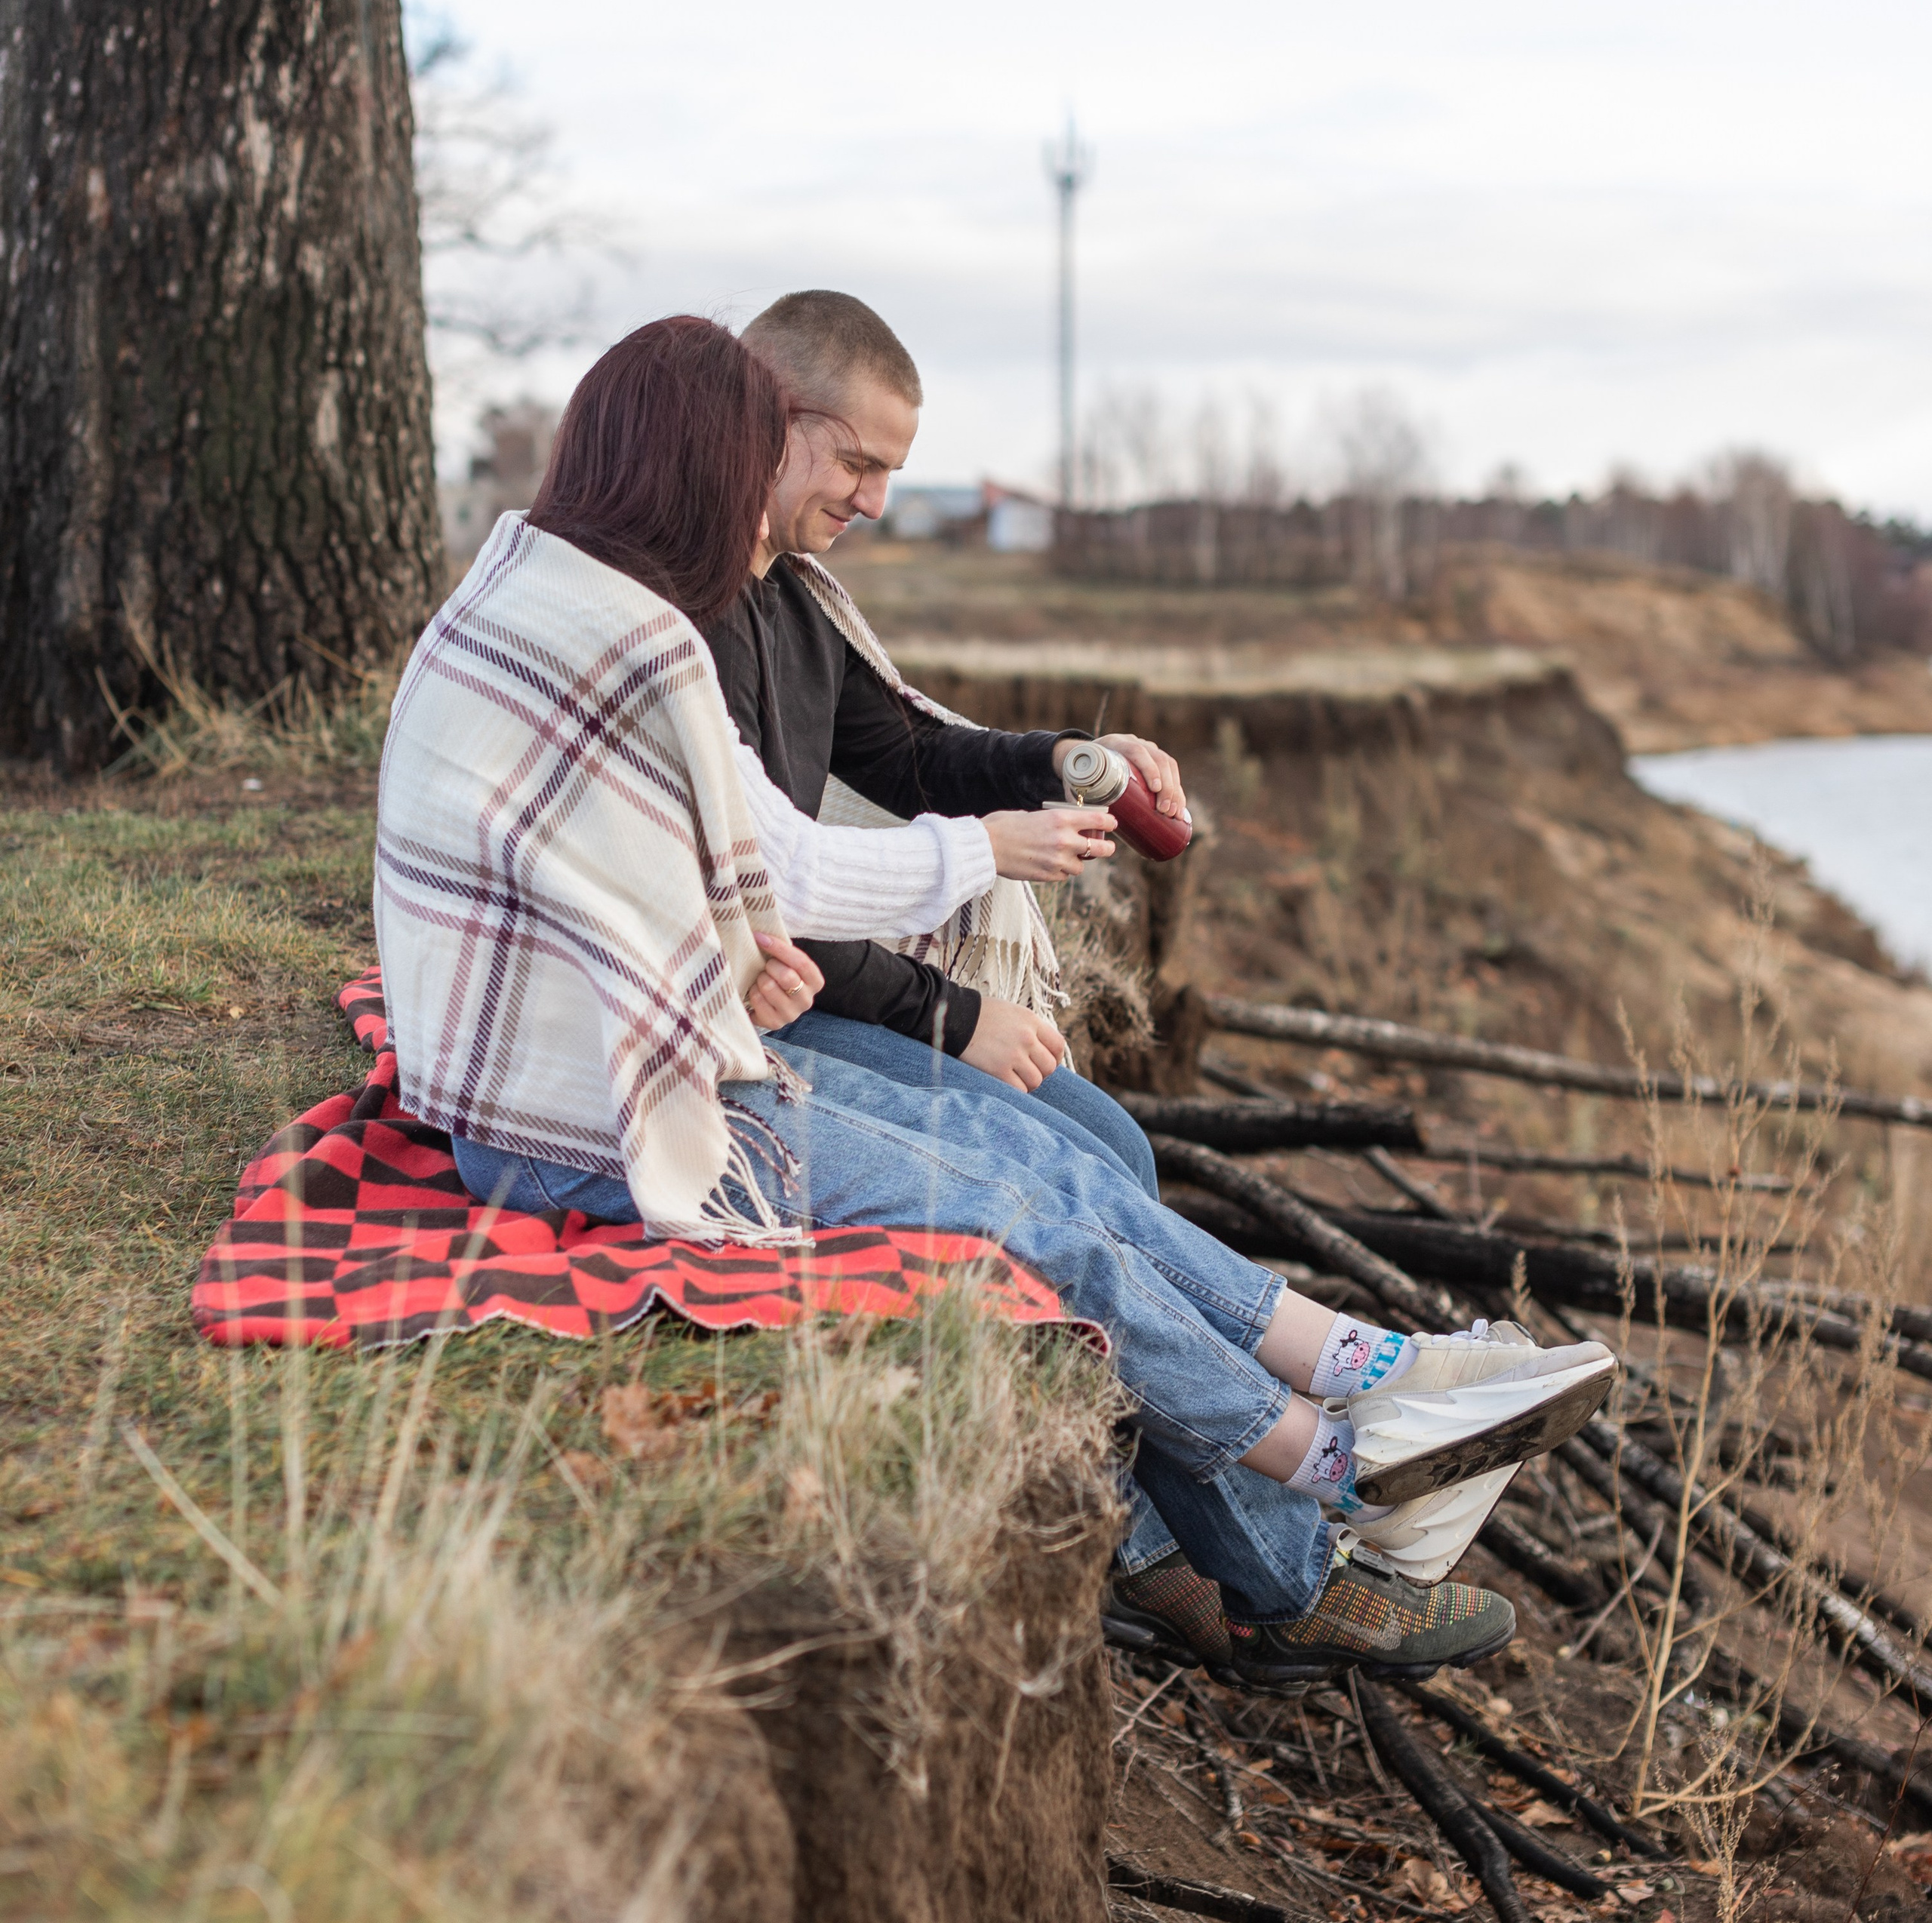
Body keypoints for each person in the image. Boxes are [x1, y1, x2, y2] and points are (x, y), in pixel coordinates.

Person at [373, 318, 1616, 1685]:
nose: (852, 505)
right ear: (725, 448)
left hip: (580, 1062)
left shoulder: (530, 583)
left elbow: (759, 834)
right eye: (820, 463)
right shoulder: (650, 637)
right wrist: (980, 871)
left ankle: (1364, 1389)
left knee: (1056, 1163)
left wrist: (1037, 779)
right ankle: (1341, 1457)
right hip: (594, 1113)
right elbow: (780, 865)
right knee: (1030, 1216)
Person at [705, 288, 1174, 1198]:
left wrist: (1070, 761)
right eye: (856, 462)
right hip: (751, 1000)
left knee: (1118, 1141)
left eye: (889, 471)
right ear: (767, 416)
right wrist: (955, 1018)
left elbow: (913, 754)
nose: (876, 502)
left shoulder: (796, 601)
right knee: (1076, 1168)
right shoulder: (691, 623)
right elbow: (763, 895)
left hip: (805, 977)